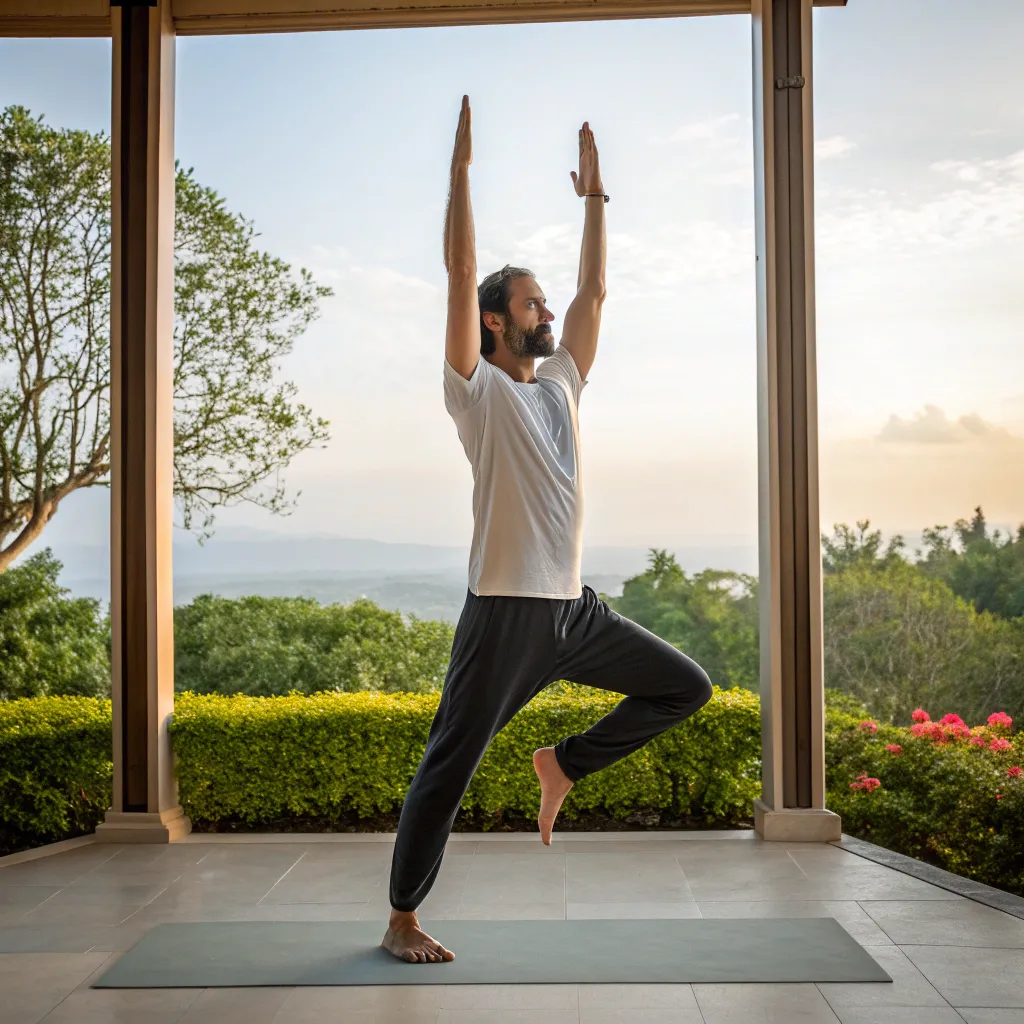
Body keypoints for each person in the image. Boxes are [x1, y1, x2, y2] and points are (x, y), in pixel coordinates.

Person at [381, 95, 713, 965]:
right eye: (530, 304)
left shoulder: (561, 383)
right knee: (447, 768)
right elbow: (460, 272)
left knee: (684, 687)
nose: (547, 314)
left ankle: (562, 764)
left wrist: (596, 202)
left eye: (542, 303)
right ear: (496, 320)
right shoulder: (477, 391)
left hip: (574, 610)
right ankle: (402, 917)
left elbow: (594, 290)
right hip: (506, 615)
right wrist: (458, 174)